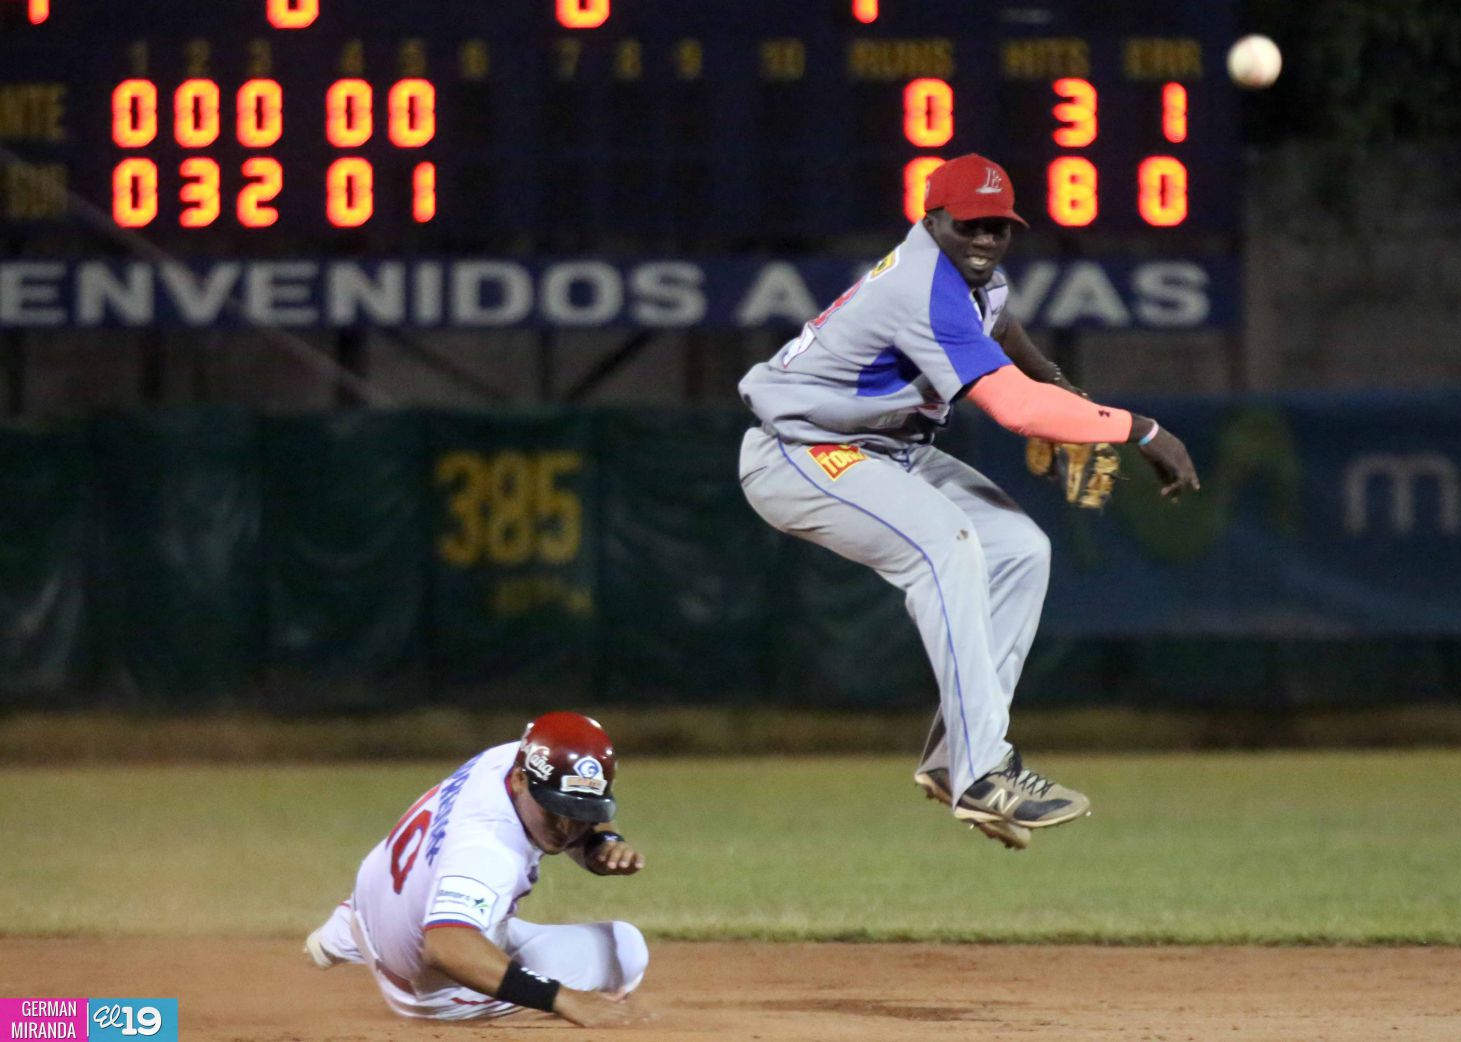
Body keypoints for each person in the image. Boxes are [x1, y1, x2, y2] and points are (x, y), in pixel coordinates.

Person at [736, 154, 1200, 850]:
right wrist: (1141, 428)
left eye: (998, 227)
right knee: (945, 546)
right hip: (799, 453)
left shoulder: (970, 280)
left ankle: (958, 758)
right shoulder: (921, 284)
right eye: (969, 226)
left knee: (1020, 548)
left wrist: (1060, 388)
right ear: (931, 220)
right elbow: (1012, 409)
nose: (984, 240)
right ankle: (985, 772)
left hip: (883, 450)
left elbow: (1003, 329)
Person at [302, 711, 651, 1025]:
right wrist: (563, 999)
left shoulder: (513, 758)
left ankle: (347, 933)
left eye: (581, 813)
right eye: (554, 810)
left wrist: (600, 841)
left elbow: (581, 803)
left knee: (456, 890)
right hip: (427, 986)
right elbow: (448, 947)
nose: (565, 827)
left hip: (371, 901)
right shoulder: (489, 849)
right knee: (624, 950)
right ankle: (459, 1010)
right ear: (519, 780)